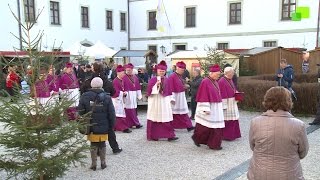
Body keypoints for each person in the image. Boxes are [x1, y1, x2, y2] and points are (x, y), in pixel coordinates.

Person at [247, 86, 309, 180]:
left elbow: (253, 146)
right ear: (288, 101)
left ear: (267, 100)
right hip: (289, 174)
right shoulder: (299, 125)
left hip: (259, 173)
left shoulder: (255, 122)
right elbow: (303, 152)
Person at [80, 62, 122, 154]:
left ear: (94, 69)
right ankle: (115, 148)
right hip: (105, 106)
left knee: (94, 129)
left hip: (91, 108)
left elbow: (82, 90)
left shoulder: (89, 81)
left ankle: (97, 151)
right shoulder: (107, 81)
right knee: (109, 128)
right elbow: (113, 92)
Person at [78, 77, 115, 171]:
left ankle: (93, 164)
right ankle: (103, 163)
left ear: (91, 85)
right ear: (101, 85)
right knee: (102, 143)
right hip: (104, 125)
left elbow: (80, 111)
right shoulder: (107, 97)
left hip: (91, 125)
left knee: (93, 144)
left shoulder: (85, 96)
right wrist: (112, 125)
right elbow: (111, 113)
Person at [191, 64, 225, 150]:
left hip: (215, 107)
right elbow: (203, 95)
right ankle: (201, 139)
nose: (218, 76)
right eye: (217, 74)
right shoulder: (205, 81)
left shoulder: (215, 81)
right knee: (205, 126)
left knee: (213, 126)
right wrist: (205, 108)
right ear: (211, 73)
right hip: (208, 107)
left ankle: (213, 143)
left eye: (219, 74)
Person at [146, 61, 178, 141]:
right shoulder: (152, 80)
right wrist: (156, 86)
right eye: (160, 71)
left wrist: (172, 99)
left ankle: (170, 135)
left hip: (164, 101)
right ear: (157, 71)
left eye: (163, 71)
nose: (162, 72)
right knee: (155, 117)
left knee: (166, 117)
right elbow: (149, 91)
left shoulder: (167, 80)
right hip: (155, 101)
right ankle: (154, 135)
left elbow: (170, 91)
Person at [168, 61, 194, 132]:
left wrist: (185, 86)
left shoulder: (179, 76)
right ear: (177, 68)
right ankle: (172, 126)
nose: (183, 71)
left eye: (183, 70)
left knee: (183, 111)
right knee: (174, 113)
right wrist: (172, 98)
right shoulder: (172, 76)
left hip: (181, 96)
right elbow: (170, 87)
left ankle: (189, 126)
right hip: (175, 97)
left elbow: (180, 85)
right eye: (182, 70)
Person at [218, 67, 241, 141]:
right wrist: (224, 105)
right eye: (232, 72)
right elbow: (221, 94)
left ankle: (234, 134)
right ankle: (227, 136)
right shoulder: (222, 81)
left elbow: (233, 88)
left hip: (232, 102)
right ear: (228, 73)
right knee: (228, 120)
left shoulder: (229, 79)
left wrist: (236, 93)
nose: (233, 74)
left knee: (234, 119)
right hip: (227, 103)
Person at [112, 65, 132, 133]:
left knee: (121, 113)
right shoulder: (115, 81)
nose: (124, 74)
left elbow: (125, 88)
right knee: (118, 114)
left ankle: (119, 127)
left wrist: (125, 92)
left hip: (121, 99)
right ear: (118, 73)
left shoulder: (122, 80)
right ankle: (123, 127)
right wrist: (122, 93)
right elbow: (115, 91)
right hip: (117, 100)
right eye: (123, 73)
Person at [123, 63, 143, 129]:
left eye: (130, 70)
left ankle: (133, 123)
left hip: (134, 95)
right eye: (127, 70)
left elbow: (138, 86)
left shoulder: (135, 77)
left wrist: (139, 95)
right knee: (129, 110)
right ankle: (135, 123)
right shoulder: (123, 77)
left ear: (132, 70)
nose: (128, 71)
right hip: (128, 95)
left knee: (134, 109)